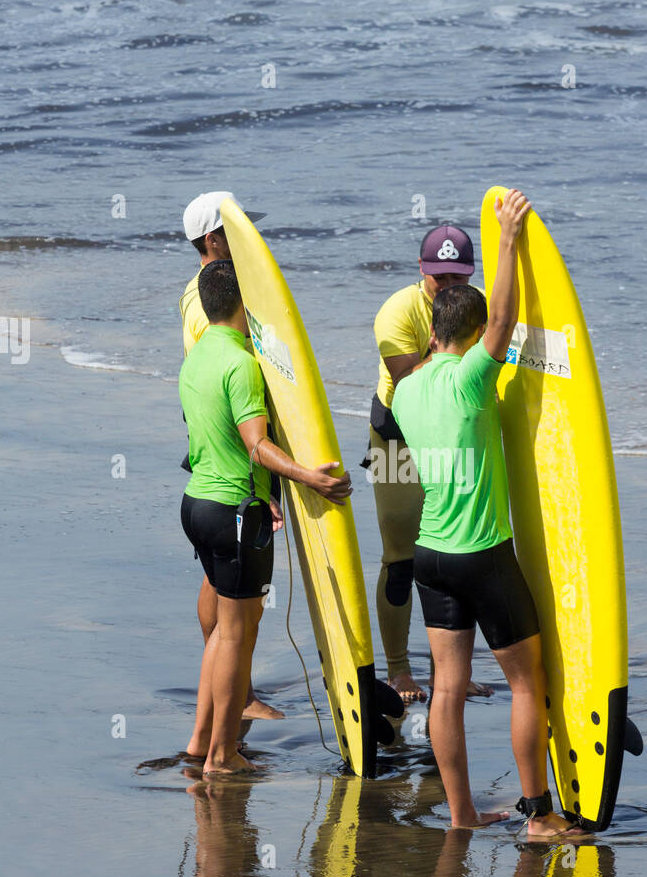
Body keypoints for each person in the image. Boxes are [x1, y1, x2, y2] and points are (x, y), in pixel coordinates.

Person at [392, 189, 580, 838]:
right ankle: (538, 817)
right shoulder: (472, 376)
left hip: (430, 556)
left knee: (448, 688)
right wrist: (507, 240)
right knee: (527, 684)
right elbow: (501, 319)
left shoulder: (406, 387)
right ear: (470, 339)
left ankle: (462, 814)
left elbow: (481, 324)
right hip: (481, 553)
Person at [179, 260, 352, 775]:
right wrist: (309, 477)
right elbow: (256, 444)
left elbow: (211, 438)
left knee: (223, 634)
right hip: (233, 513)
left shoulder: (196, 358)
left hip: (197, 505)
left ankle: (199, 743)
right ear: (243, 302)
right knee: (236, 634)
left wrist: (262, 493)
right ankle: (222, 756)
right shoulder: (242, 364)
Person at [368, 223, 493, 706]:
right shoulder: (397, 312)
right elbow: (408, 381)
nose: (449, 287)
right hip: (397, 439)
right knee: (401, 558)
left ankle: (452, 672)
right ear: (422, 269)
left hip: (452, 436)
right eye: (440, 278)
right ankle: (398, 671)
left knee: (462, 552)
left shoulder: (473, 305)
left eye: (459, 278)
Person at [180, 190, 281, 722]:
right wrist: (267, 478)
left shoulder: (200, 293)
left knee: (219, 584)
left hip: (212, 462)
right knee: (235, 603)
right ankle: (234, 696)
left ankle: (226, 684)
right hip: (230, 459)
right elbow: (228, 387)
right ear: (215, 239)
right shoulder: (212, 306)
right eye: (237, 235)